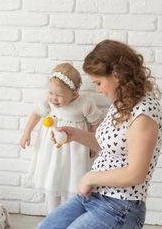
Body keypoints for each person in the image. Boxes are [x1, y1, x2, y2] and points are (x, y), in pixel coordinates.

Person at [29, 40, 162, 229]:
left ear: (117, 74)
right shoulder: (120, 103)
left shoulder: (143, 115)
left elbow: (136, 173)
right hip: (92, 196)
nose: (98, 90)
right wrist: (74, 135)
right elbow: (109, 148)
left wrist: (90, 176)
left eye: (99, 83)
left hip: (120, 208)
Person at [20, 62, 102, 213]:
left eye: (59, 95)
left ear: (74, 93)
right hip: (51, 148)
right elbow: (36, 114)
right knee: (52, 177)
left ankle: (68, 215)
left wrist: (93, 144)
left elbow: (95, 123)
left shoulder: (84, 103)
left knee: (72, 180)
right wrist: (27, 132)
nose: (53, 98)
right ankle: (52, 215)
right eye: (51, 93)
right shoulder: (47, 99)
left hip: (74, 149)